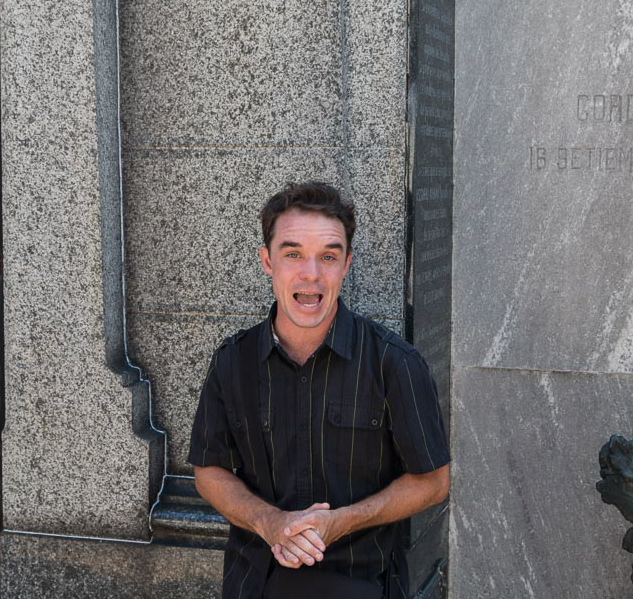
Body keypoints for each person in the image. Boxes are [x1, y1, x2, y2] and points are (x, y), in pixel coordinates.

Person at [188, 182, 450, 599]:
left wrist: (341, 522)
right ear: (267, 261)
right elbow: (209, 470)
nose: (311, 274)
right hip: (253, 584)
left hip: (360, 583)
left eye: (328, 256)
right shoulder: (232, 362)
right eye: (293, 254)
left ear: (346, 265)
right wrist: (269, 522)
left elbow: (434, 482)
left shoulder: (395, 364)